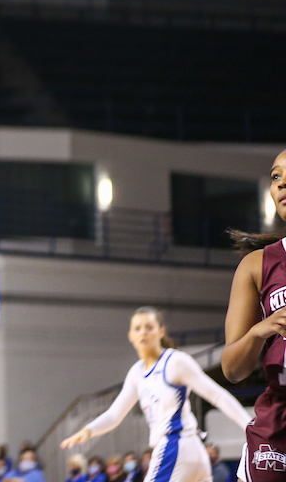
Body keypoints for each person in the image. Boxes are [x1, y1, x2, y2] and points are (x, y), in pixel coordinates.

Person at [61, 307, 250, 482]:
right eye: (138, 328)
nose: (143, 332)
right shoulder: (137, 372)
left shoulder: (175, 361)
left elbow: (217, 395)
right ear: (130, 335)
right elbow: (115, 414)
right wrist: (89, 430)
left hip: (175, 447)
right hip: (193, 454)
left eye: (149, 327)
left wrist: (249, 427)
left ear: (160, 332)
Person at [222, 148, 286, 482]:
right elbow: (232, 369)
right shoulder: (257, 265)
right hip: (278, 419)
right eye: (276, 177)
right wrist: (263, 329)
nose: (283, 185)